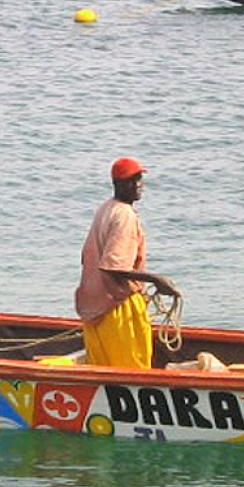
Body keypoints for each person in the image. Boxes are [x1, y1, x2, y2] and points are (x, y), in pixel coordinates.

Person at [74, 157, 180, 369]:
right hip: (118, 308)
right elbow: (113, 267)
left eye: (139, 179)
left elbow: (87, 257)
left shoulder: (106, 208)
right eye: (131, 181)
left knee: (101, 367)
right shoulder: (125, 216)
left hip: (95, 309)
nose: (138, 185)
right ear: (117, 185)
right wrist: (156, 280)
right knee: (132, 366)